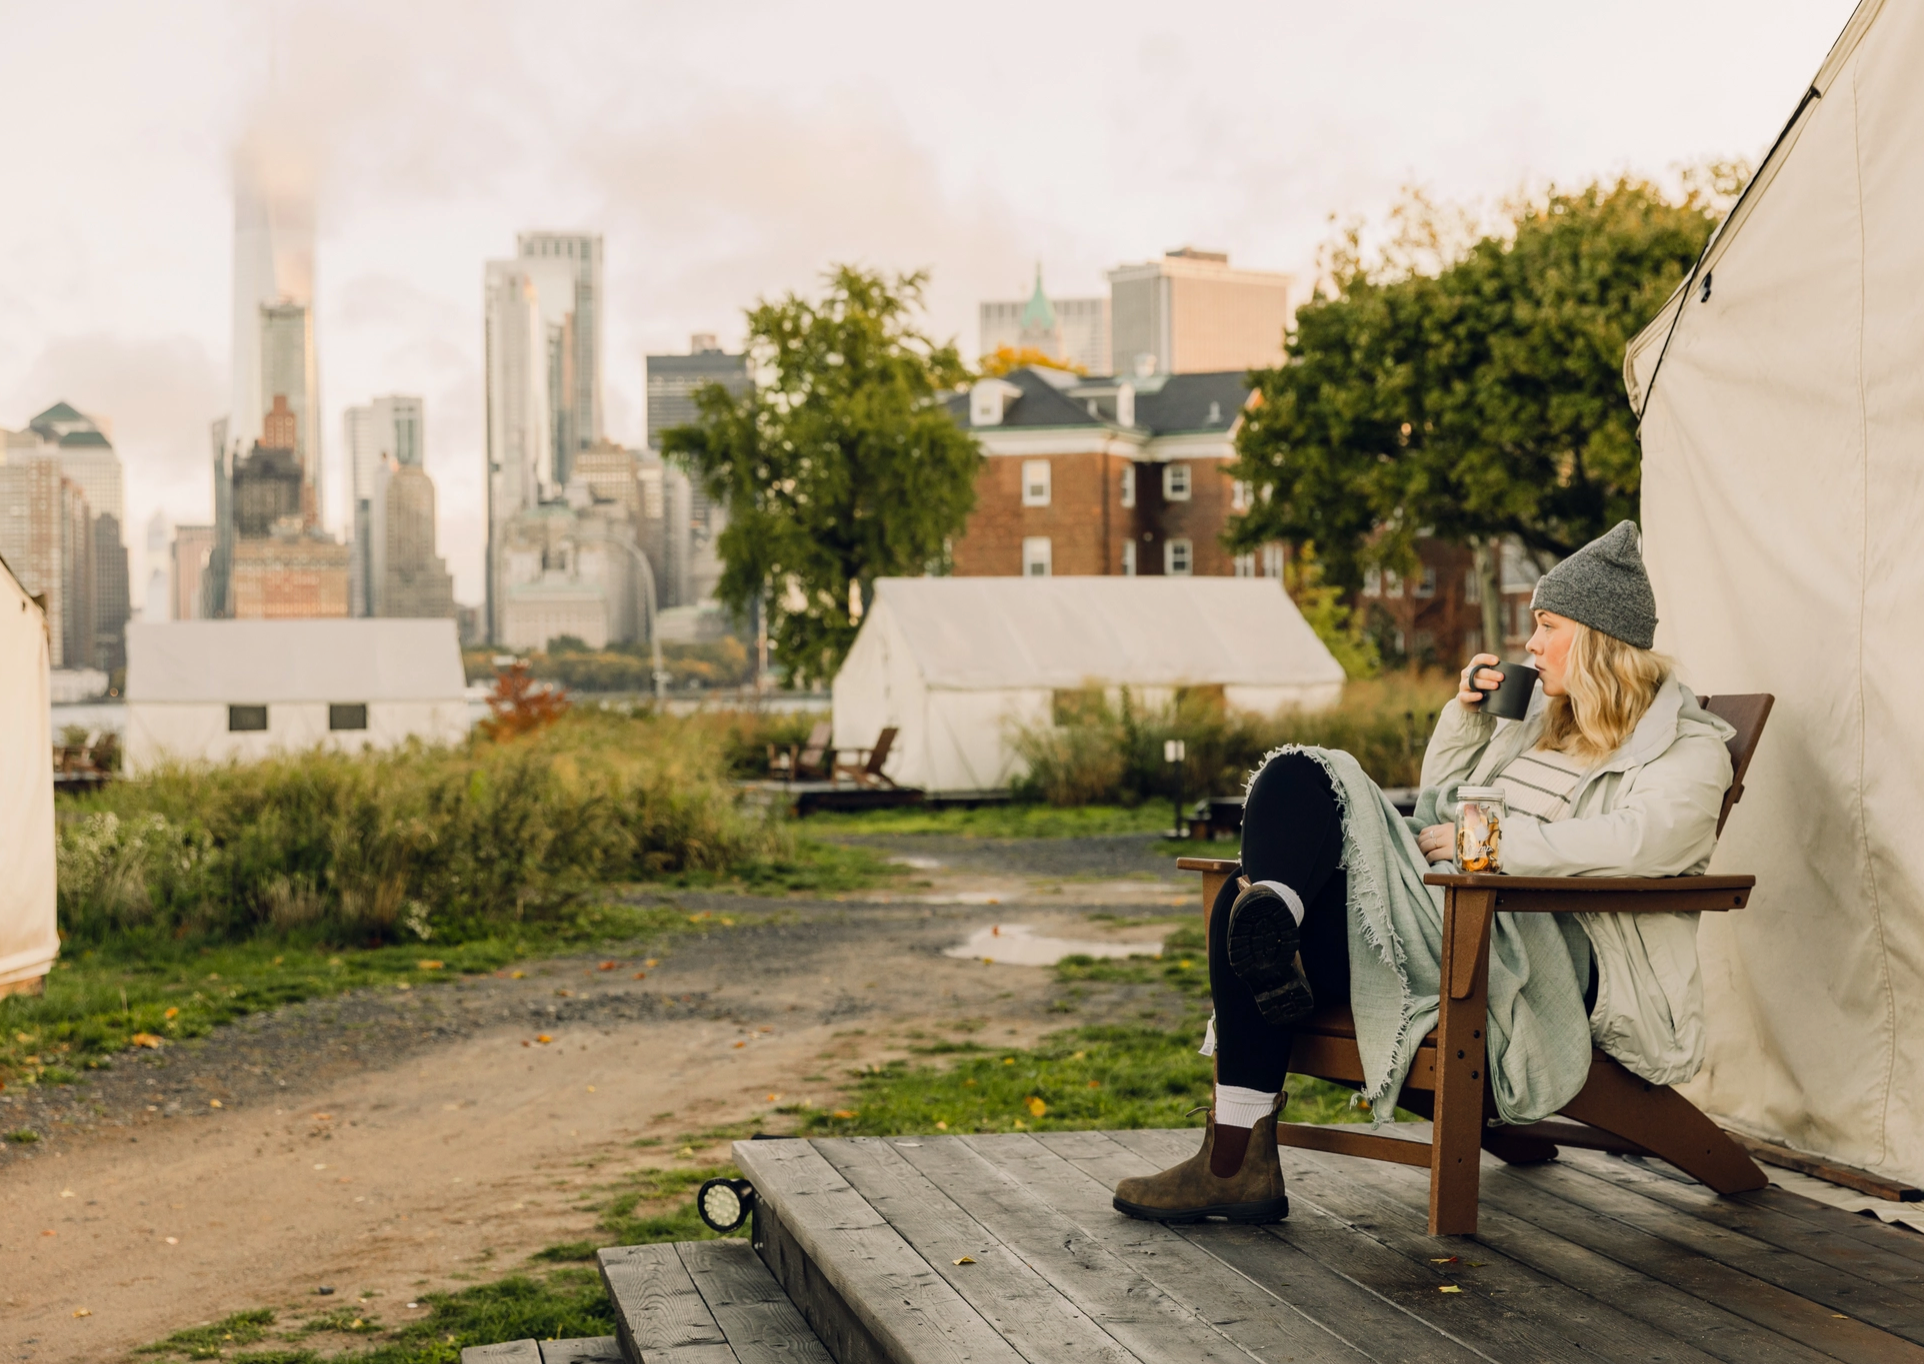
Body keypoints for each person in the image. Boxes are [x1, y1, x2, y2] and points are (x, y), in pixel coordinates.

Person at [1113, 521, 1735, 1224]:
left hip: (1547, 953)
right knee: (1249, 880)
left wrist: (1496, 850)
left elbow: (1651, 842)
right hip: (1460, 920)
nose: (1529, 645)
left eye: (1547, 625)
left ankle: (1241, 1126)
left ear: (1595, 638)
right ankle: (1240, 1138)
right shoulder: (1540, 724)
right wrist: (1468, 721)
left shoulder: (1685, 747)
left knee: (1306, 786)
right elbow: (1442, 805)